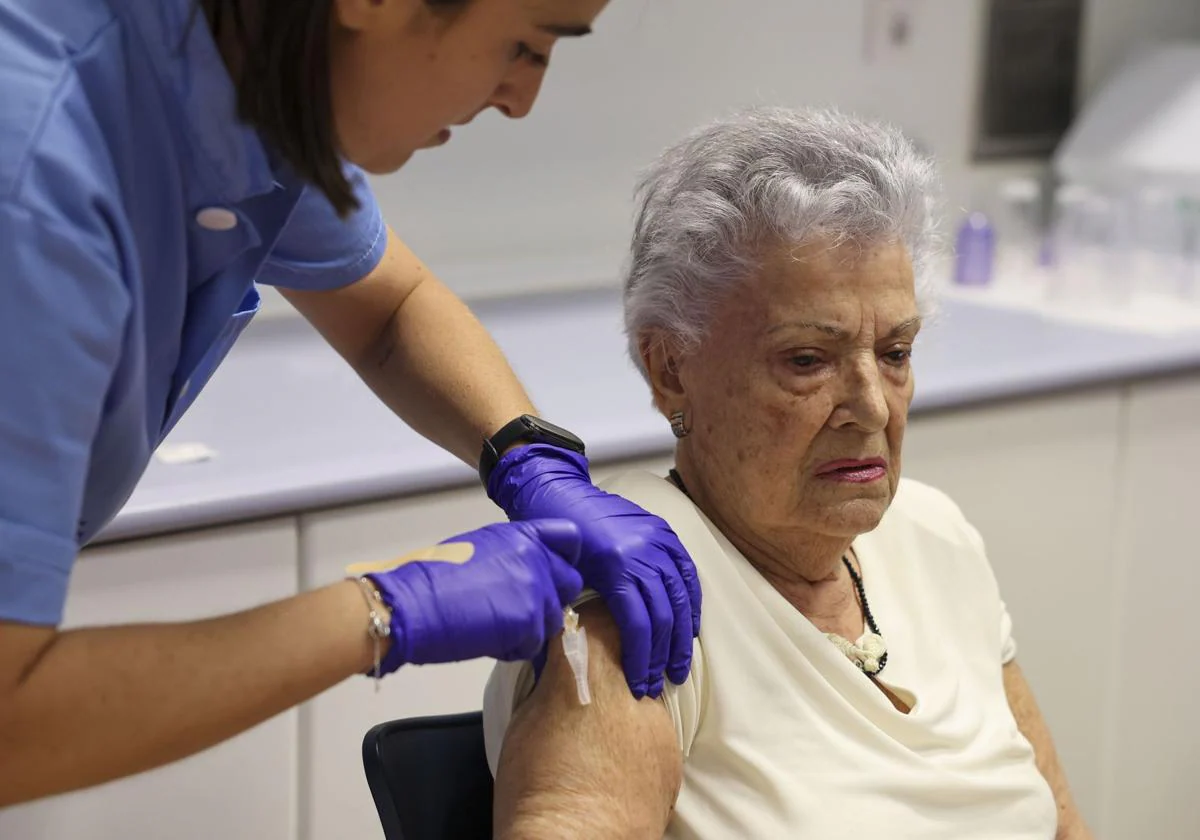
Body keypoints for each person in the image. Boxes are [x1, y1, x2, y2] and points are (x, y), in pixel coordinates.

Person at [0, 0, 701, 808]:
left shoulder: (250, 85)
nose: (521, 99)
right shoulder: (37, 183)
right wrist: (379, 610)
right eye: (525, 44)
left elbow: (391, 309)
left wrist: (529, 457)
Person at [482, 107, 1094, 839]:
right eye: (808, 360)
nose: (870, 408)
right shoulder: (638, 595)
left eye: (895, 353)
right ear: (671, 368)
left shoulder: (937, 540)